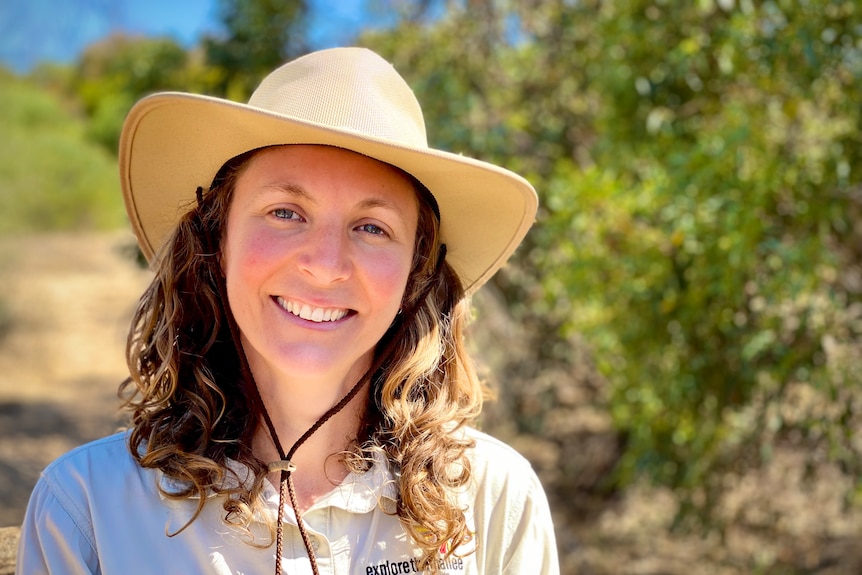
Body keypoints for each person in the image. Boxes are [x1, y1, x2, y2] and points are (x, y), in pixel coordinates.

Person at [16, 47, 559, 574]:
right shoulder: (87, 509)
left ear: (416, 272)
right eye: (285, 212)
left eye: (372, 227)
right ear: (215, 242)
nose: (326, 266)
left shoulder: (491, 500)